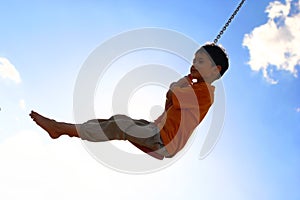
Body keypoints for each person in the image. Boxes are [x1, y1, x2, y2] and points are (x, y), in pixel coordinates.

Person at [30, 43, 229, 159]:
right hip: (158, 131)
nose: (194, 64)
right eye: (194, 59)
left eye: (200, 61)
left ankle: (62, 129)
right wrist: (181, 85)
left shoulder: (205, 94)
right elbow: (170, 98)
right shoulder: (196, 89)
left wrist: (182, 82)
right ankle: (68, 129)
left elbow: (173, 94)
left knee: (120, 125)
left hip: (165, 140)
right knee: (117, 121)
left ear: (215, 69)